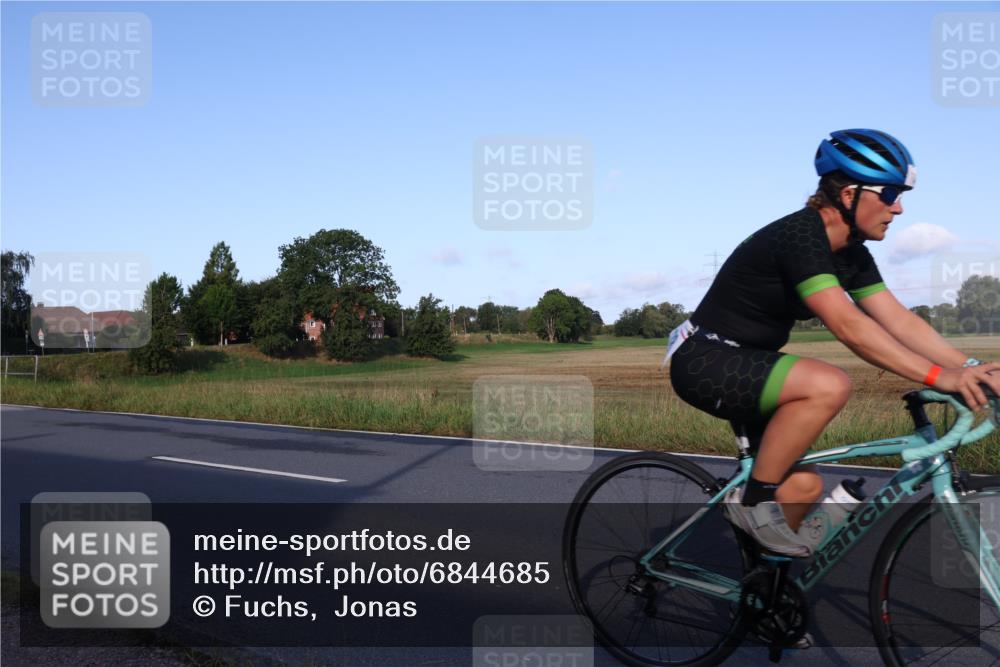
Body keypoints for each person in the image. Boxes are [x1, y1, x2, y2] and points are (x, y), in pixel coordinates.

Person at [667, 128, 1000, 558]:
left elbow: (899, 321)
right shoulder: (801, 237)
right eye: (890, 193)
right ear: (848, 194)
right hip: (706, 360)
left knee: (804, 486)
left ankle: (766, 603)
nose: (898, 207)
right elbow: (848, 324)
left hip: (752, 363)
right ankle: (750, 503)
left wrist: (971, 367)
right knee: (828, 384)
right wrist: (942, 377)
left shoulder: (851, 254)